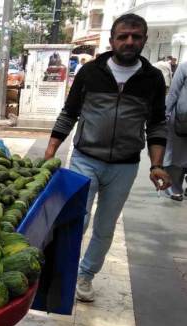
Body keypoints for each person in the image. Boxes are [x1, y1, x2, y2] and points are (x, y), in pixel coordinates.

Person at [43, 14, 171, 302]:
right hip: (85, 158)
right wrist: (50, 154)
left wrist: (157, 164)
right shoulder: (90, 73)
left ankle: (86, 275)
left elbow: (157, 125)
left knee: (105, 225)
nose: (129, 41)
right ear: (112, 39)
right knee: (77, 218)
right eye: (123, 36)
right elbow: (69, 114)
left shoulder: (152, 79)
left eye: (136, 36)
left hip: (124, 166)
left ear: (144, 40)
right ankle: (61, 271)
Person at [164, 60, 187, 201]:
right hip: (182, 118)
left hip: (182, 118)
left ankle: (175, 189)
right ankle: (176, 188)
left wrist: (166, 112)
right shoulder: (185, 67)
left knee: (177, 156)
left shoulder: (184, 66)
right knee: (179, 155)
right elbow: (173, 92)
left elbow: (174, 91)